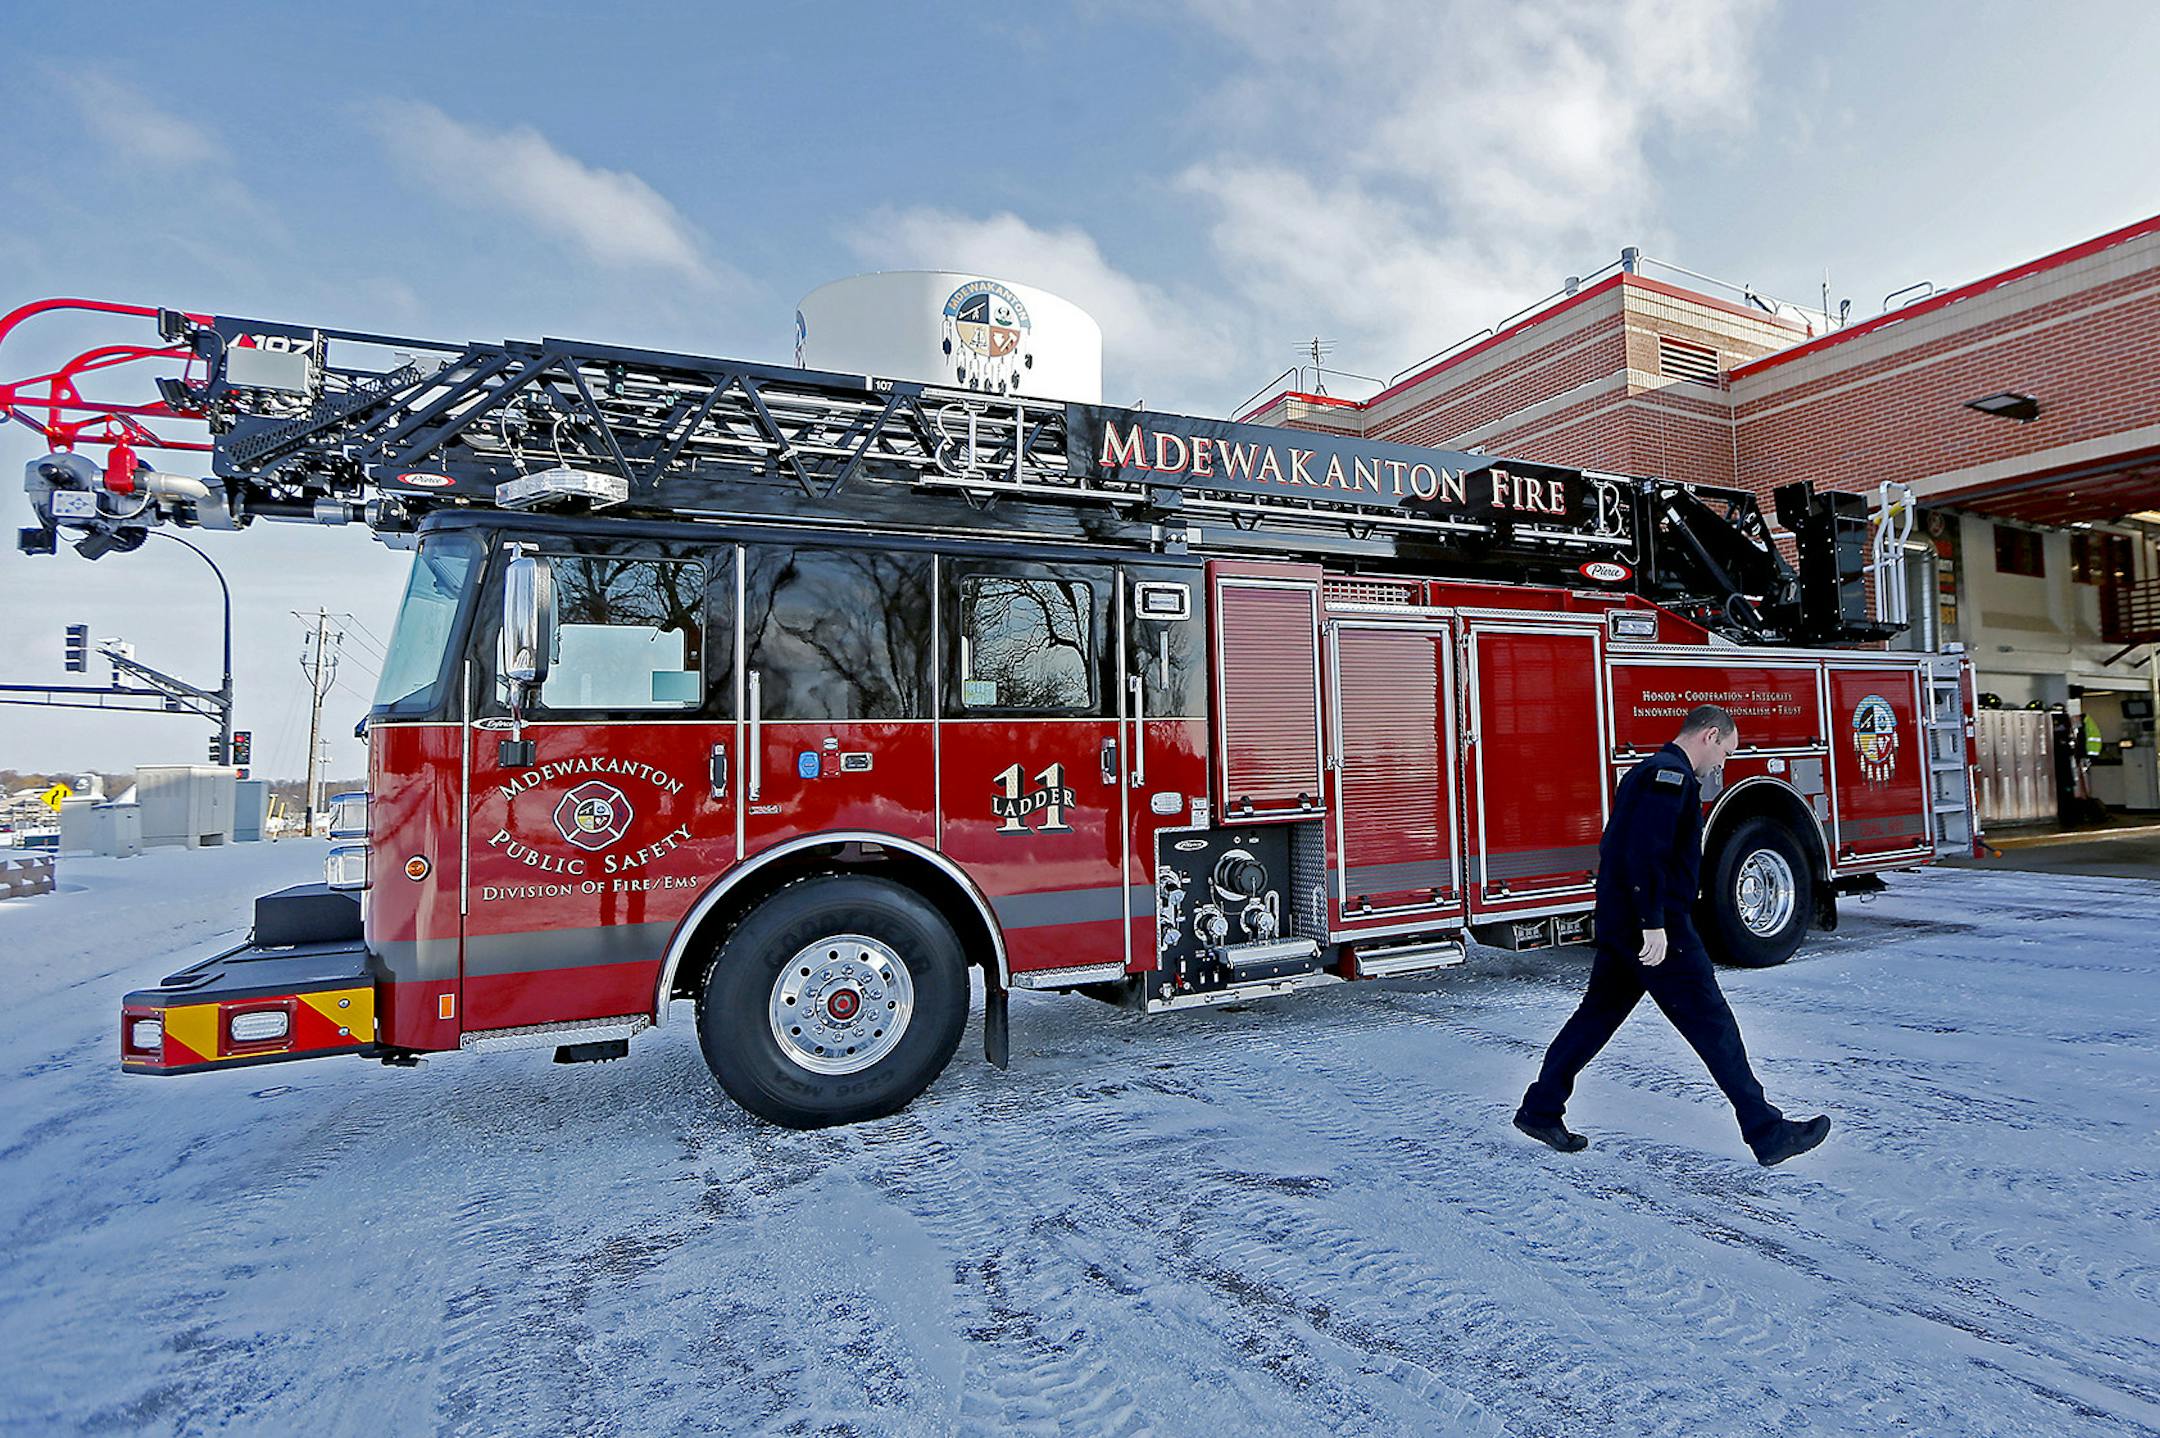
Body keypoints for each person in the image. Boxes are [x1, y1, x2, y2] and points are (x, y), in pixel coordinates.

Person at [1513, 704, 1831, 1168]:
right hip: (1656, 926)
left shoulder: (1646, 772)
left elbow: (1618, 848)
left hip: (1626, 922)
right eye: (1725, 750)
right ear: (1708, 735)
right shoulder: (1672, 778)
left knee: (1595, 1018)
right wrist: (1653, 923)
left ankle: (1540, 1109)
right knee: (1713, 1024)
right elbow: (1646, 855)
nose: (1723, 762)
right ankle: (1768, 1132)